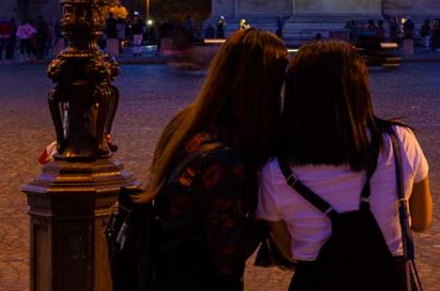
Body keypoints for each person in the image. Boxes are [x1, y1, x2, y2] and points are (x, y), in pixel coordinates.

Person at [258, 40, 433, 289]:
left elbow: (289, 251)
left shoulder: (275, 171)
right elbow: (421, 220)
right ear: (360, 88)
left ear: (295, 93)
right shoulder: (398, 141)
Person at [139, 28, 288, 290]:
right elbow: (228, 256)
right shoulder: (222, 161)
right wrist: (268, 208)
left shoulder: (186, 123)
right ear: (264, 89)